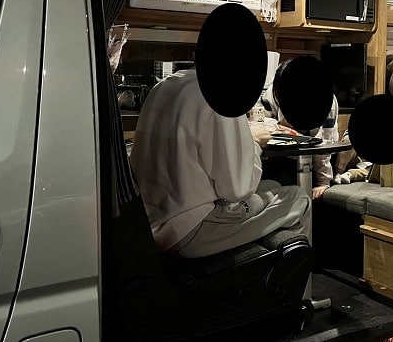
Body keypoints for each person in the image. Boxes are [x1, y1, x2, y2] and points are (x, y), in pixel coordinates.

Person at [129, 67, 312, 258]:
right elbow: (238, 189)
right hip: (190, 229)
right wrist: (254, 144)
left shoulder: (165, 85)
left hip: (150, 222)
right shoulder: (223, 95)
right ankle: (290, 274)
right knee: (300, 197)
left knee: (273, 185)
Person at [261, 60, 339, 200]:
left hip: (318, 159)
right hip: (281, 155)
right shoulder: (271, 94)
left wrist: (324, 182)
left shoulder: (325, 100)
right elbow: (261, 123)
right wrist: (279, 125)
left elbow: (325, 142)